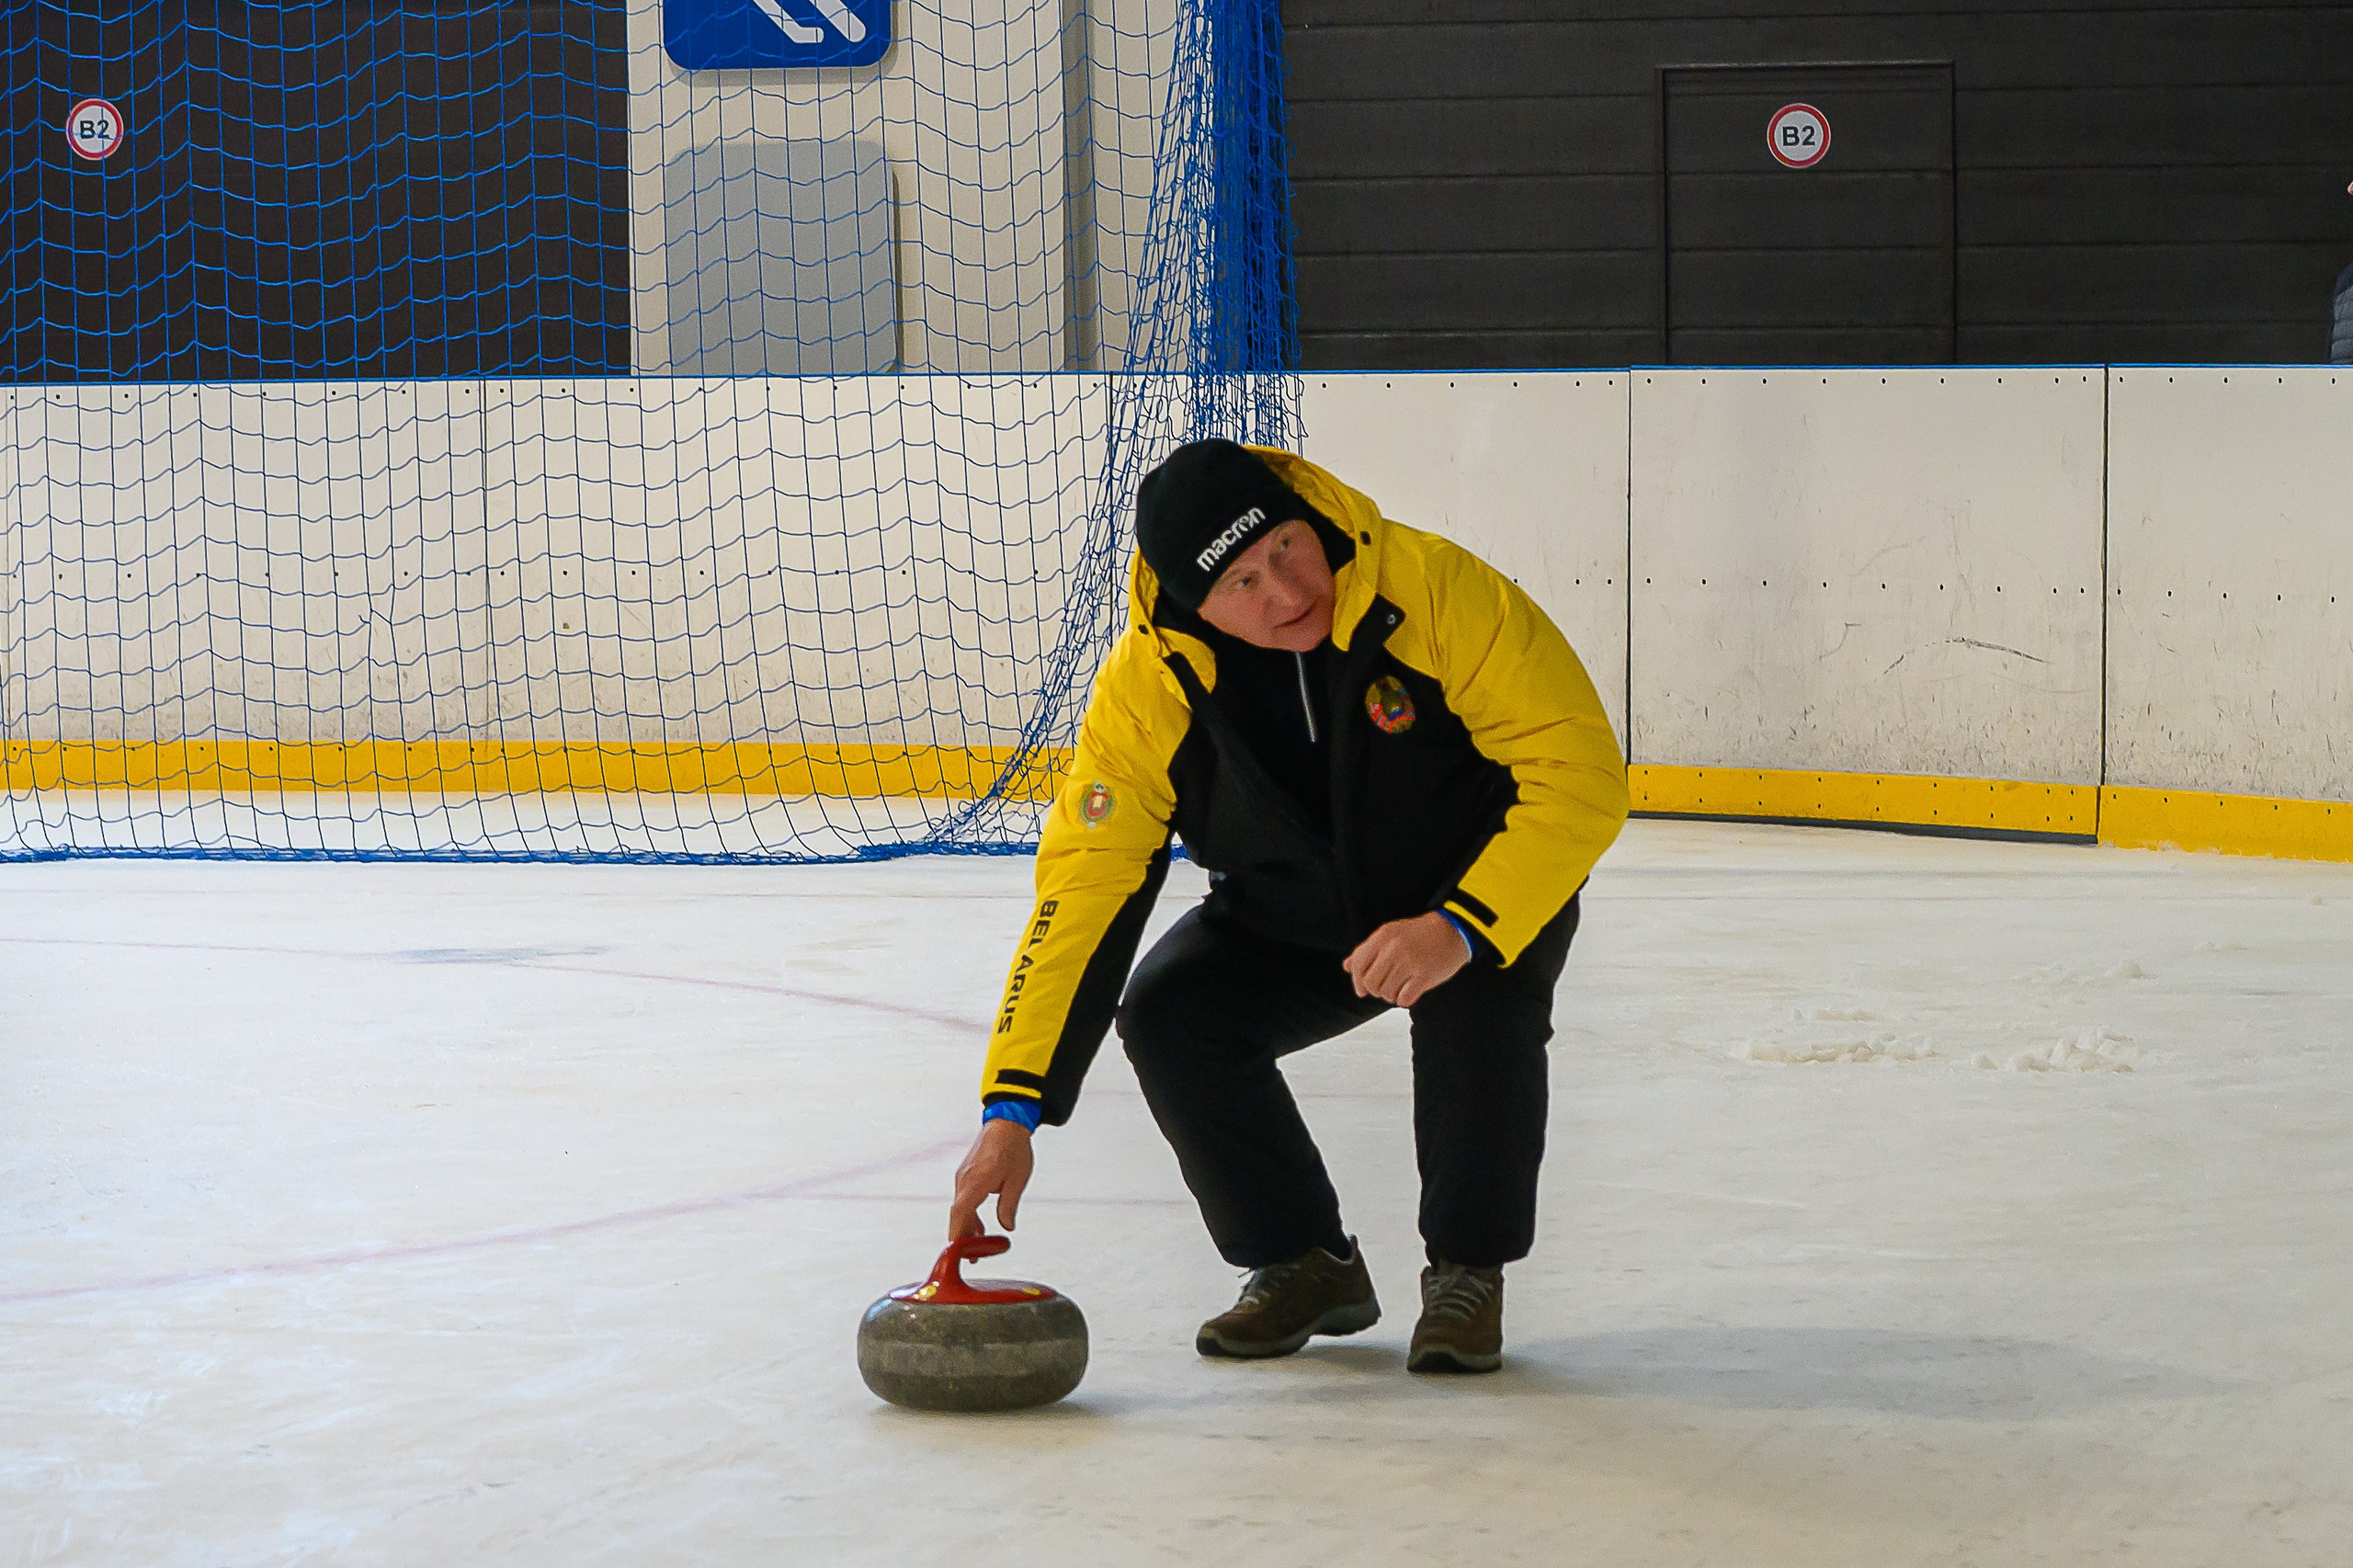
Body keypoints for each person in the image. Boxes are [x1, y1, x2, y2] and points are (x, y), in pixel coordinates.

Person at [945, 438, 1629, 1373]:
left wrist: (1459, 926)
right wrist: (1010, 1107)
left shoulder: (1432, 590)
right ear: (1195, 606)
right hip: (1297, 914)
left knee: (1476, 1001)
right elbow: (1085, 886)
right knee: (1171, 1010)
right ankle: (1303, 1261)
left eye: (1286, 549)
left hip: (1476, 887)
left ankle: (1467, 1271)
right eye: (1240, 583)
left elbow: (1578, 772)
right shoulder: (1150, 691)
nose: (1286, 591)